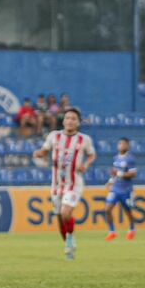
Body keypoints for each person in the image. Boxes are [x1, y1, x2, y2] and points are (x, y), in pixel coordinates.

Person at [32, 108, 96, 260]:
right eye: (67, 118)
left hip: (74, 183)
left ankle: (71, 237)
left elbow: (92, 155)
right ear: (63, 120)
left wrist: (86, 165)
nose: (70, 121)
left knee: (67, 213)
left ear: (78, 122)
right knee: (60, 219)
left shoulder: (84, 139)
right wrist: (39, 154)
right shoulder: (54, 136)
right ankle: (68, 245)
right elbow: (44, 150)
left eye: (73, 118)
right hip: (56, 185)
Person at [104, 137, 137, 241]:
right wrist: (110, 181)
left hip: (126, 190)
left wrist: (118, 173)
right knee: (107, 209)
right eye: (119, 144)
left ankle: (132, 229)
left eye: (123, 144)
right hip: (115, 189)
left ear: (127, 146)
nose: (121, 146)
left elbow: (133, 173)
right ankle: (112, 231)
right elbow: (115, 173)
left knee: (128, 211)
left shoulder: (130, 159)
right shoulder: (116, 158)